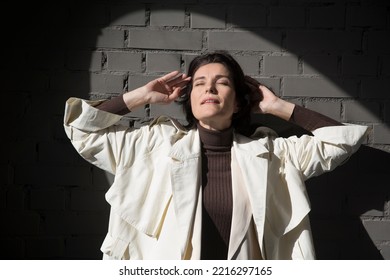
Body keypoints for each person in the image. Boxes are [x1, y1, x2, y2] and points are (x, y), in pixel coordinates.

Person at [63, 51, 368, 260]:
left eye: (222, 82)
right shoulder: (152, 144)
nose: (210, 87)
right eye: (199, 83)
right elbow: (82, 130)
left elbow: (341, 141)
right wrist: (141, 96)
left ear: (237, 103)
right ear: (190, 99)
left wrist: (277, 107)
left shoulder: (273, 153)